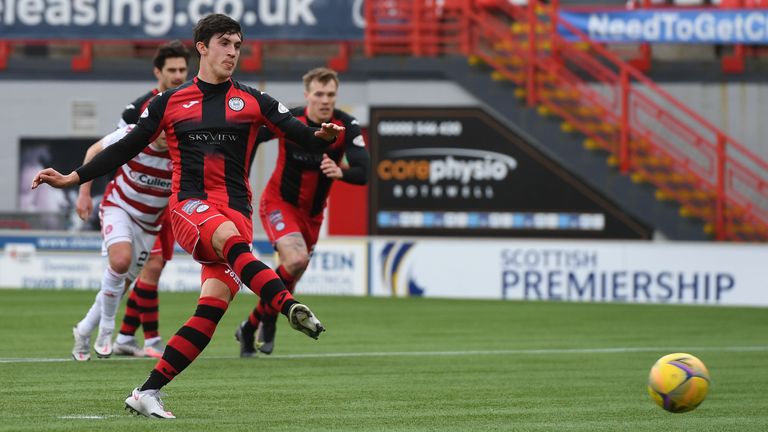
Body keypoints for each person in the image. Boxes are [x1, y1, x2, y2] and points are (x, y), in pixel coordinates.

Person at [31, 13, 336, 419]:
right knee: (232, 242)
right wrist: (75, 177)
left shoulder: (254, 101)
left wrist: (323, 137)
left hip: (237, 214)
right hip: (192, 208)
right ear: (203, 47)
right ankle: (286, 304)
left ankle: (146, 391)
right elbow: (126, 147)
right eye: (225, 43)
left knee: (209, 314)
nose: (233, 52)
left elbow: (302, 136)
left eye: (238, 45)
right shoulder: (168, 102)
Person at [235, 67, 369, 357]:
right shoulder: (290, 119)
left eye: (331, 94)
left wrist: (341, 171)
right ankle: (268, 318)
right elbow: (254, 136)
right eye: (319, 94)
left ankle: (249, 326)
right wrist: (240, 178)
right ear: (307, 94)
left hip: (313, 215)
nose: (325, 100)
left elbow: (363, 172)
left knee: (290, 275)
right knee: (296, 260)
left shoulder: (346, 125)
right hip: (279, 203)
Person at [110, 40, 190, 359]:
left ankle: (126, 336)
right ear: (157, 71)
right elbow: (115, 149)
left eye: (183, 70)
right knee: (150, 266)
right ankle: (151, 340)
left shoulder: (193, 104)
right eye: (171, 70)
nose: (177, 76)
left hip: (173, 200)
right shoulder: (138, 108)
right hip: (143, 200)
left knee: (152, 268)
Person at [70, 125, 171, 362]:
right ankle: (106, 329)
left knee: (121, 284)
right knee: (120, 261)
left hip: (149, 225)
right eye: (163, 128)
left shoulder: (183, 147)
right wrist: (84, 193)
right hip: (119, 207)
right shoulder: (133, 134)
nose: (168, 134)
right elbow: (94, 151)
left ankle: (84, 330)